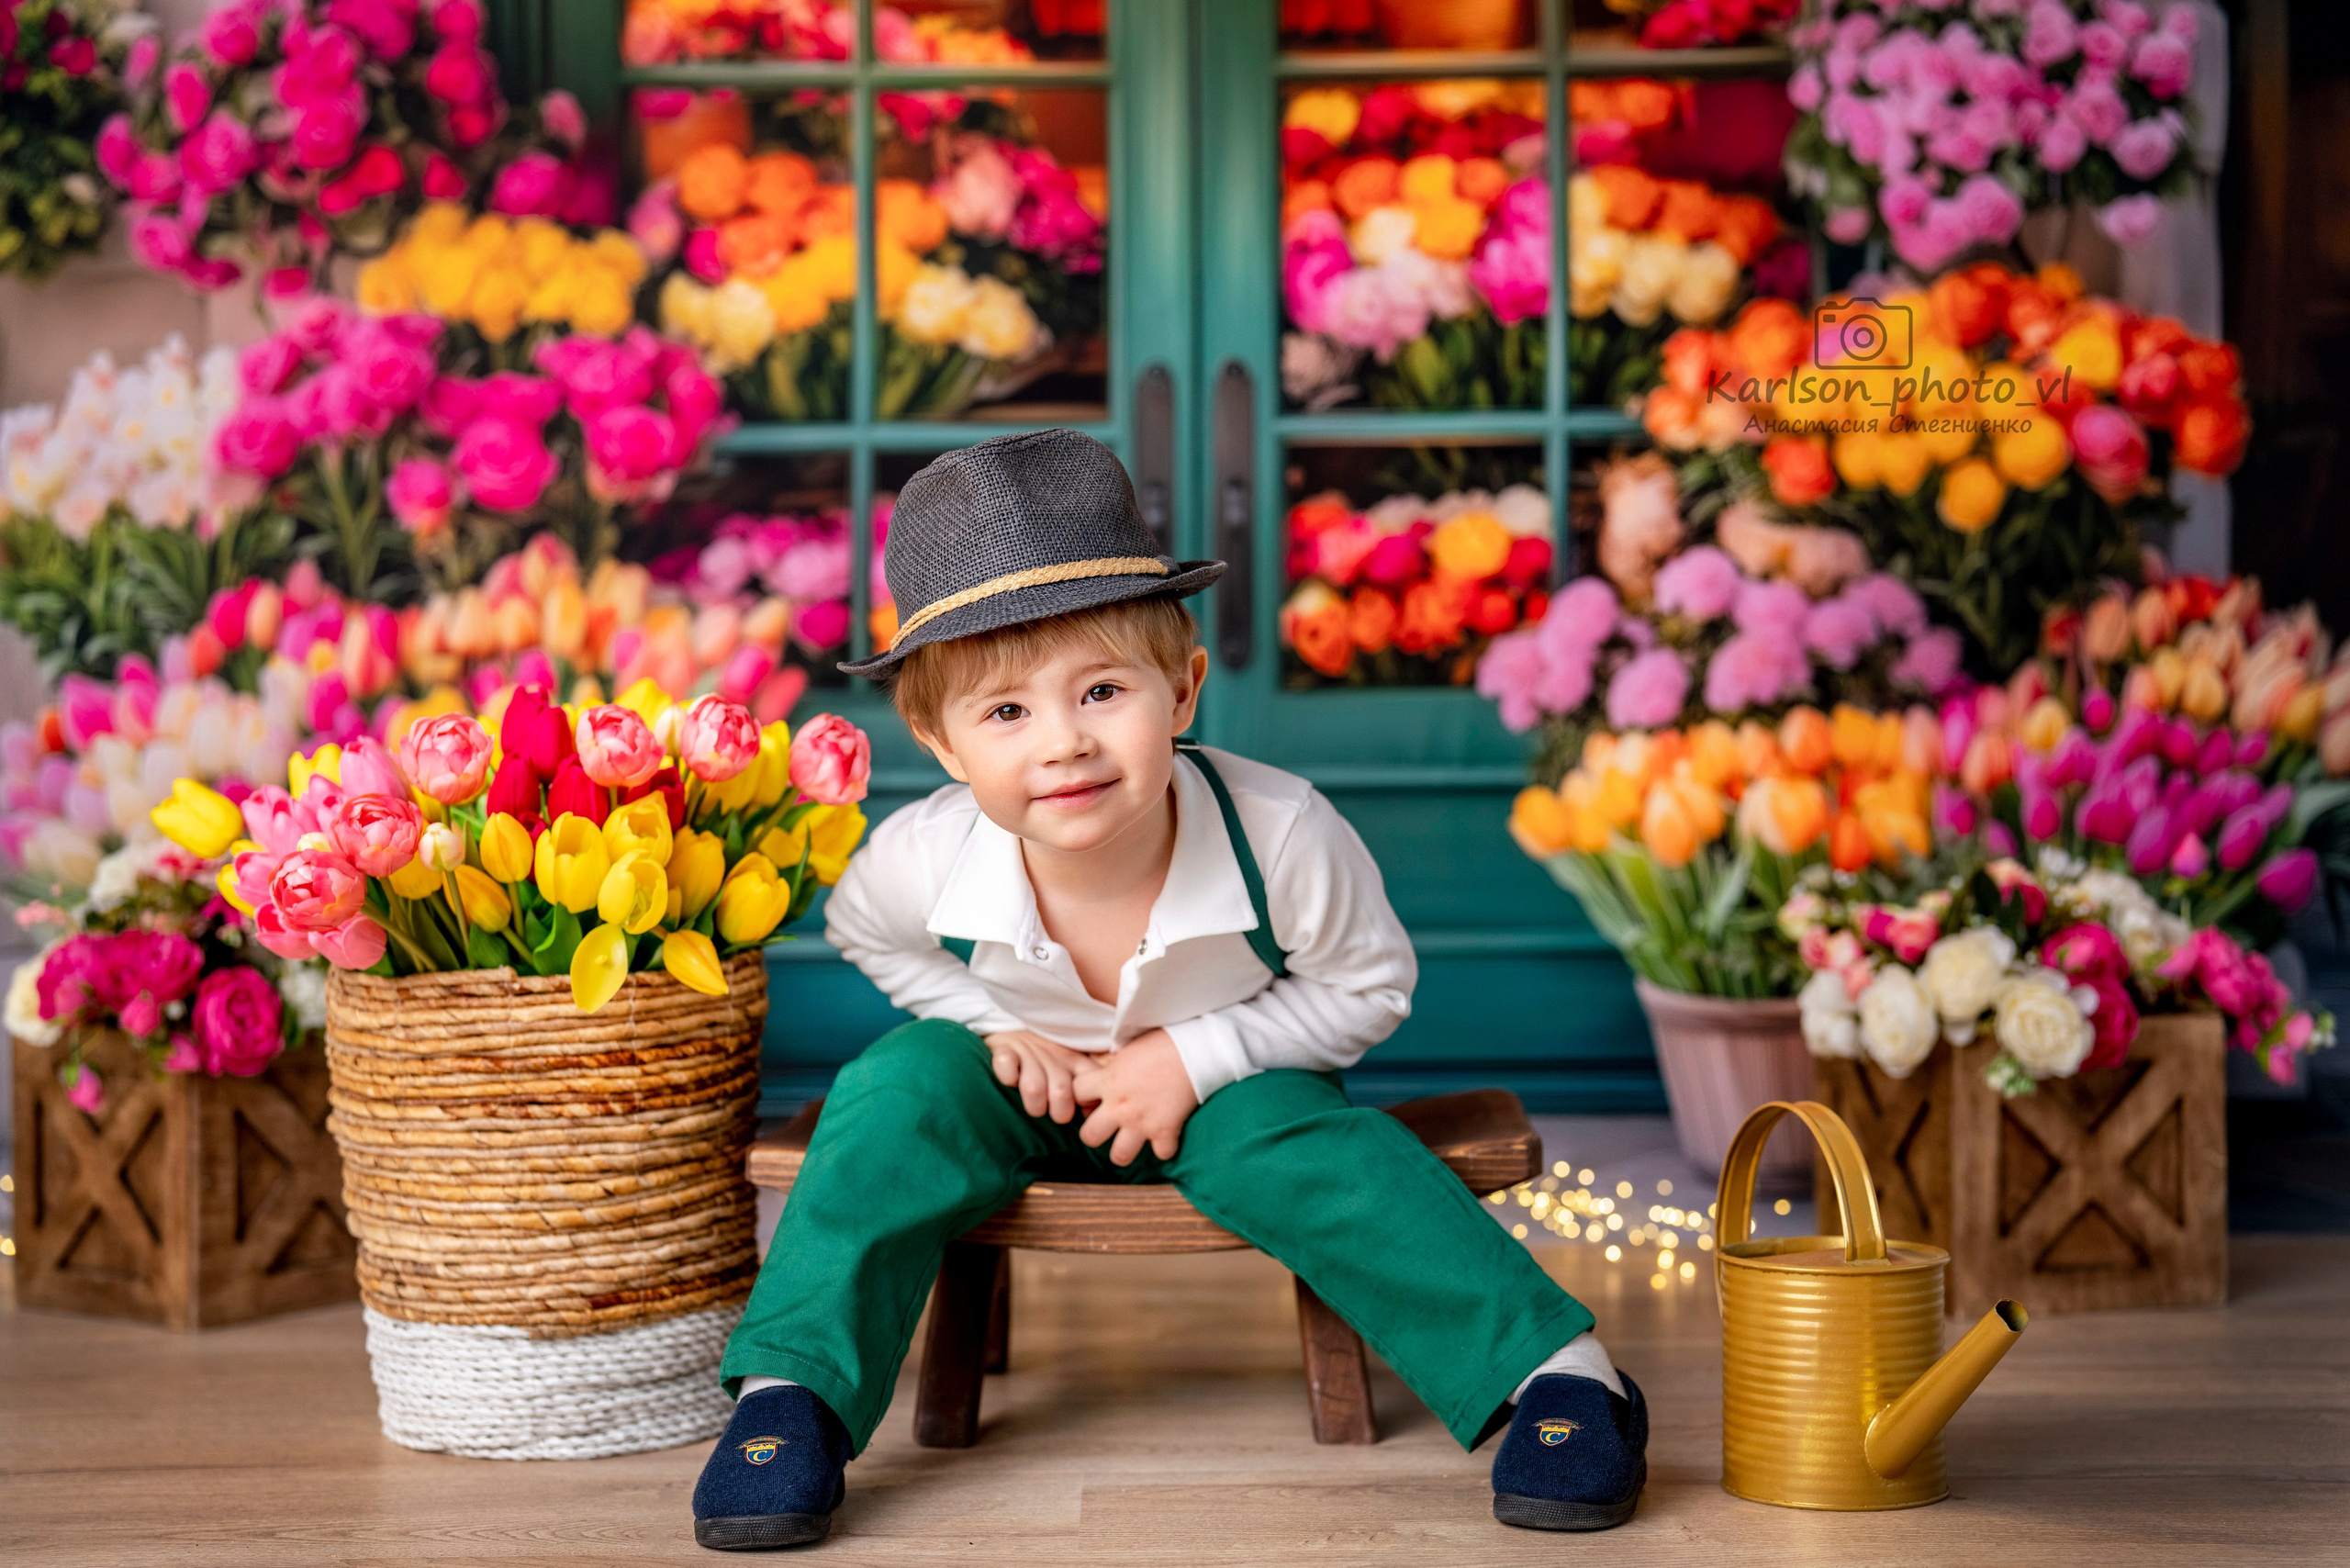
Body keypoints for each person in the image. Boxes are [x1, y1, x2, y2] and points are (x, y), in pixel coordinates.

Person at [690, 430, 1644, 1551]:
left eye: (1101, 690)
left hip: (1229, 1094)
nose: (1064, 743)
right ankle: (789, 1396)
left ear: (1182, 689)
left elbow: (1371, 984)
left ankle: (1559, 1371)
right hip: (1020, 1087)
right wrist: (991, 1024)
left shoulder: (1280, 832)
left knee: (1320, 1153)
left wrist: (1197, 1058)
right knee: (894, 1092)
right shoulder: (921, 855)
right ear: (941, 742)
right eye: (1006, 713)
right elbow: (866, 934)